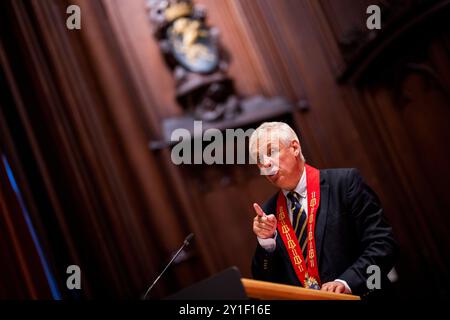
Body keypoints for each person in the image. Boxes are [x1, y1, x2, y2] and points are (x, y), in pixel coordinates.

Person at [249, 122, 398, 297]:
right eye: (259, 159)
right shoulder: (269, 212)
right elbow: (264, 283)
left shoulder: (344, 183)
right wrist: (266, 243)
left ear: (295, 148)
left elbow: (383, 245)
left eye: (271, 152)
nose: (265, 163)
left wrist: (347, 282)